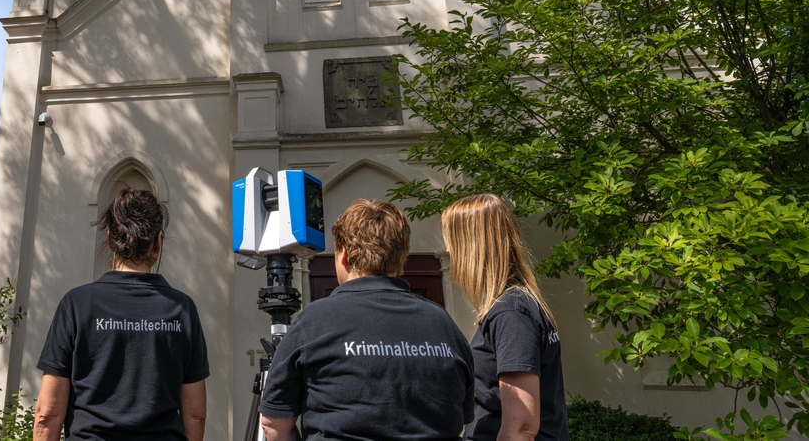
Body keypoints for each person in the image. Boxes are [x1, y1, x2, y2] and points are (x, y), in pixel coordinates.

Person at [259, 199, 475, 441]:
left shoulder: (314, 321)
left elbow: (274, 425)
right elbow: (463, 419)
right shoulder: (443, 324)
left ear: (345, 255)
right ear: (402, 256)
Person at [33, 187, 209, 441]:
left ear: (110, 240)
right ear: (158, 242)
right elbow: (195, 414)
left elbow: (47, 413)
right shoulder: (182, 308)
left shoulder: (77, 303)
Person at [440, 194, 568, 441]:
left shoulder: (512, 313)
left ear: (472, 244)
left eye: (451, 240)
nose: (447, 250)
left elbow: (521, 428)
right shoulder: (516, 305)